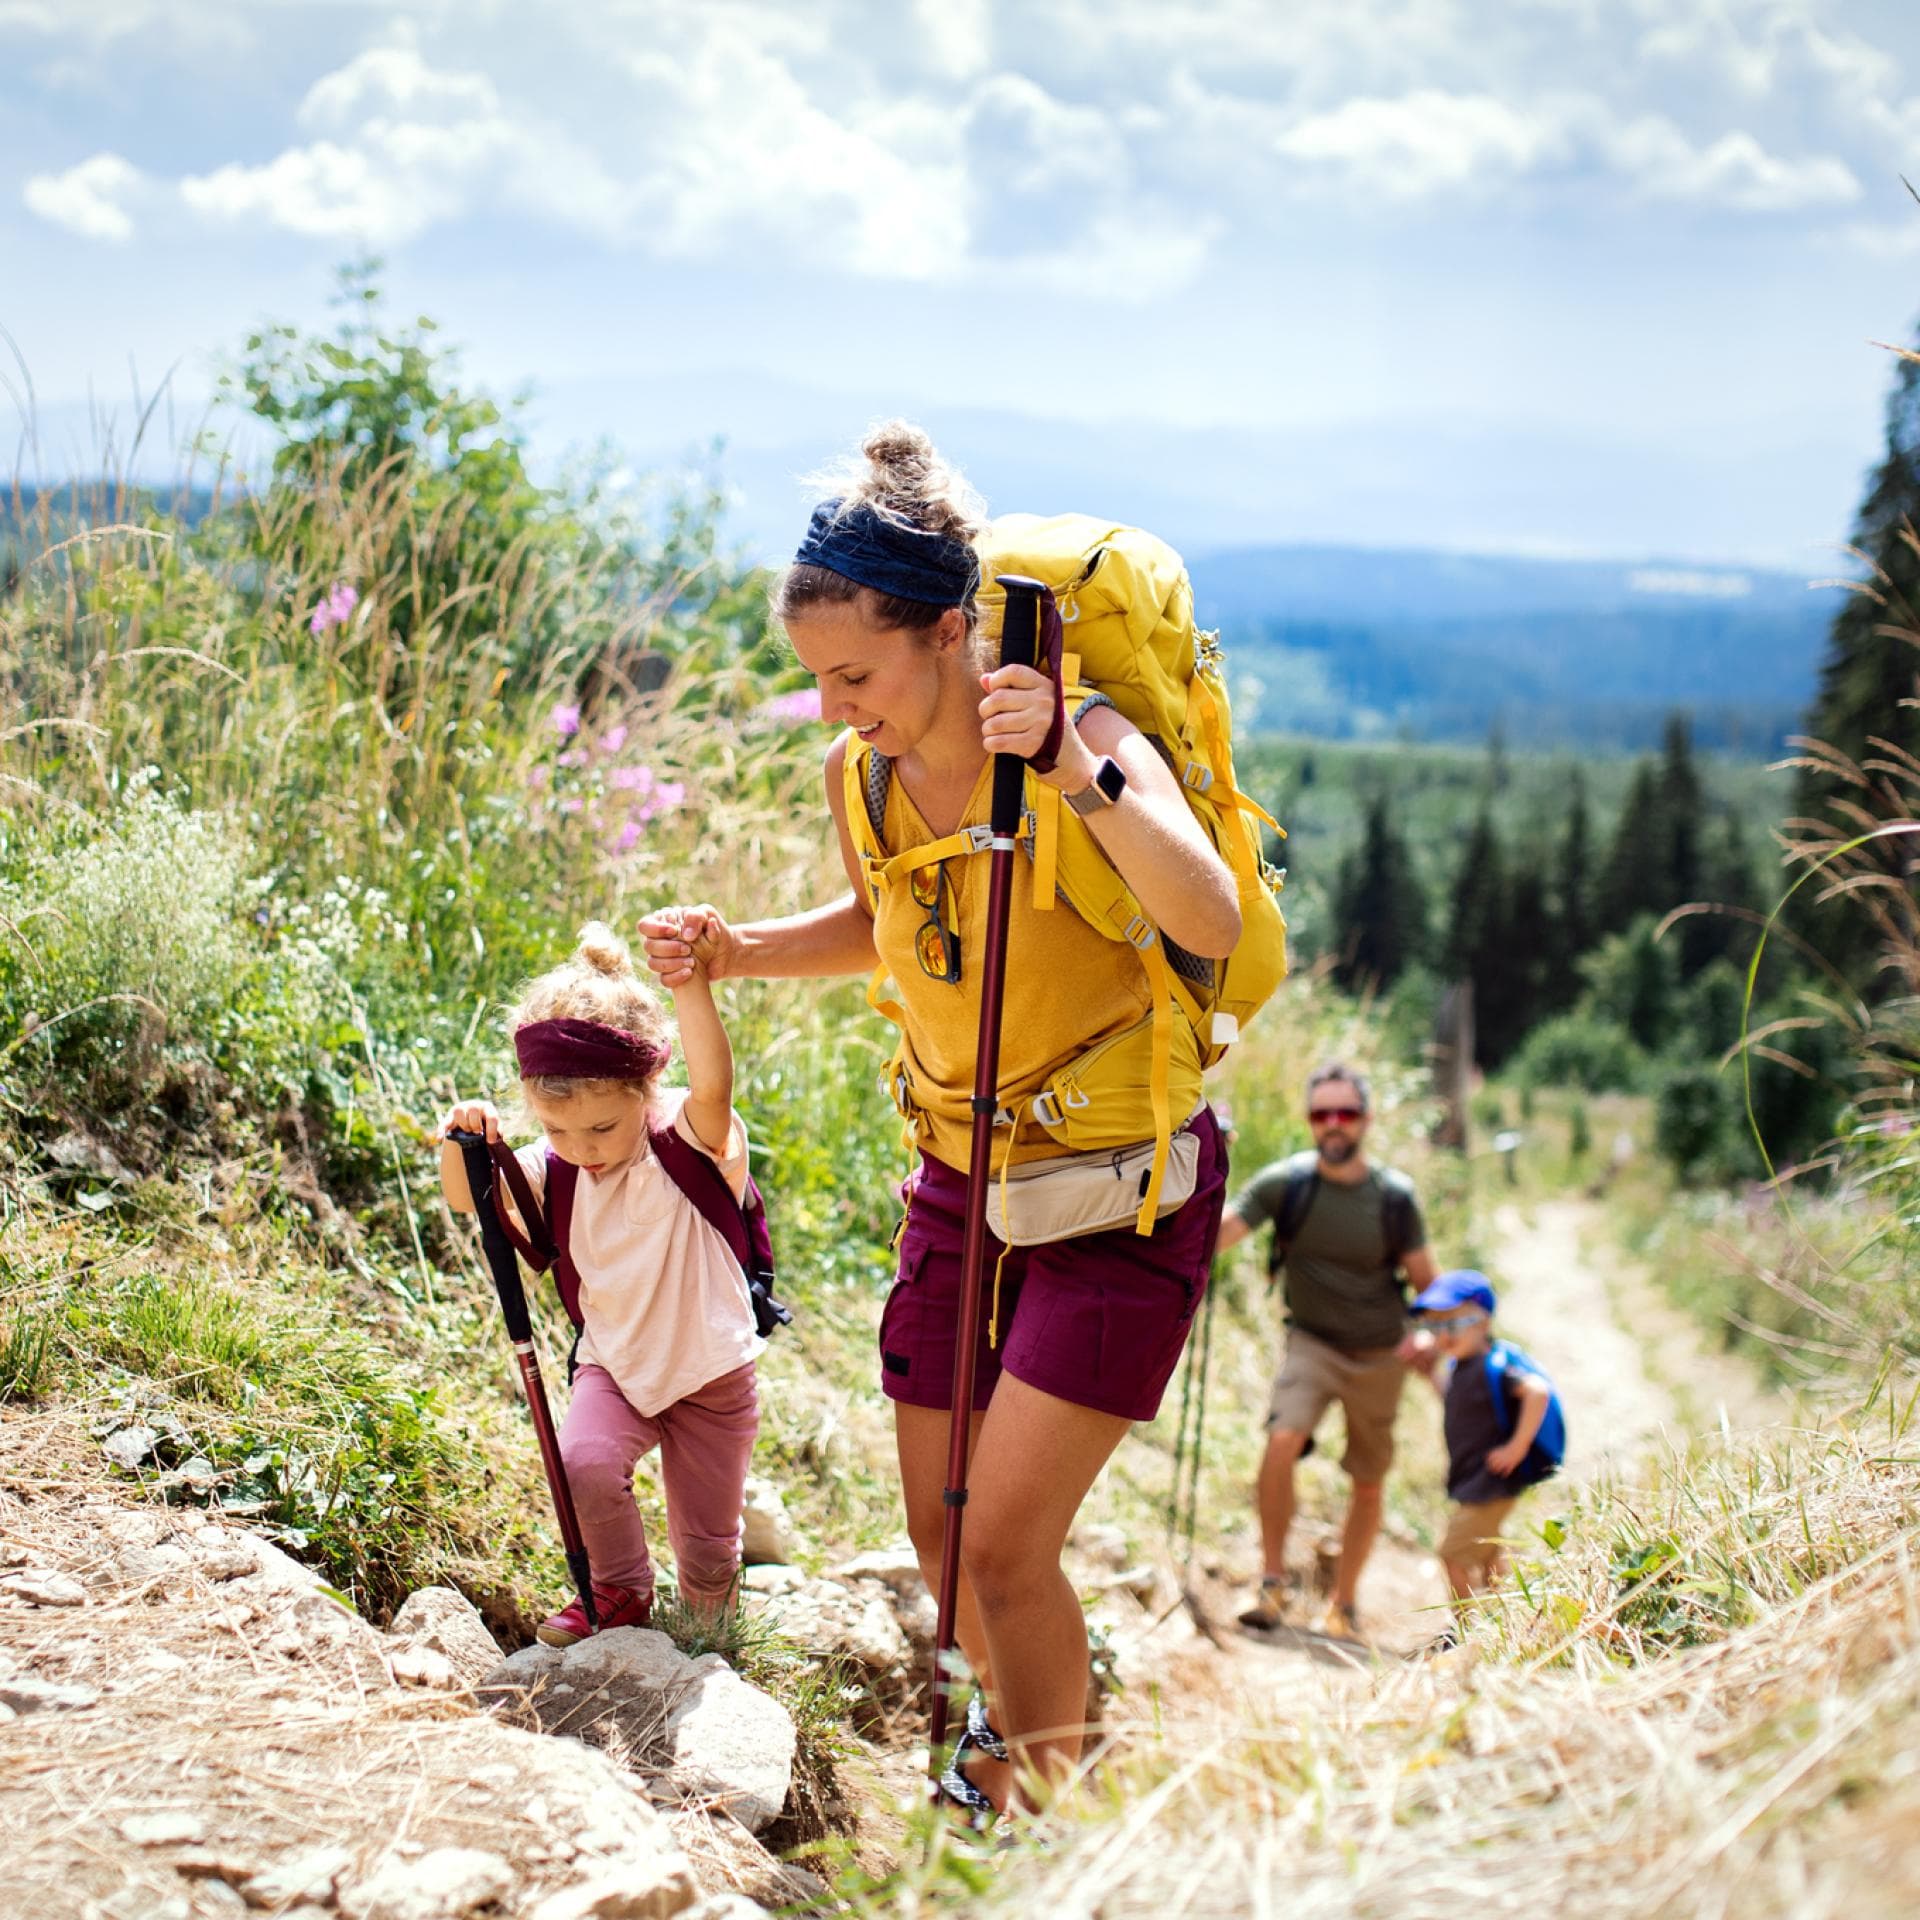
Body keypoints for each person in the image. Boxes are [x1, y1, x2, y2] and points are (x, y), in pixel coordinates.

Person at [641, 421, 1240, 1816]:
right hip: (960, 1178)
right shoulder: (862, 774)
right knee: (942, 1537)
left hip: (1118, 1189)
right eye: (816, 680)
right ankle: (1009, 1766)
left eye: (854, 675)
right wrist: (738, 950)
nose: (833, 707)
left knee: (1007, 1550)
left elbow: (1206, 914)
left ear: (951, 632)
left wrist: (1077, 773)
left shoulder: (1085, 737)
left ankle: (1048, 1823)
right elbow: (887, 919)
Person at [437, 918, 761, 1645]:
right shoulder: (556, 1167)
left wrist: (689, 985)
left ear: (648, 1089)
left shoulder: (686, 1139)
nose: (582, 1149)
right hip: (614, 1361)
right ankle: (620, 1591)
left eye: (603, 1129)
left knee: (708, 1548)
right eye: (558, 1130)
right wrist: (462, 1140)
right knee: (583, 1463)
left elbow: (714, 1083)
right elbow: (467, 1198)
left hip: (710, 1372)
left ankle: (711, 1634)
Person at [1212, 1063, 1437, 1637]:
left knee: (1368, 1479)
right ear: (1309, 1120)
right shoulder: (1285, 1184)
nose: (1334, 1124)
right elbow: (1218, 1235)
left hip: (1380, 1355)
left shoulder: (1394, 1197)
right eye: (1321, 1114)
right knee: (1281, 1439)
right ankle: (1272, 1583)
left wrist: (1428, 1335)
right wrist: (1207, 1165)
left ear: (1367, 1119)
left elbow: (1429, 1288)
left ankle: (1344, 1603)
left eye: (1346, 1113)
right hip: (1311, 1343)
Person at [1404, 1269, 1558, 1608]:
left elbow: (1537, 1392)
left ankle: (1467, 1625)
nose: (1444, 1336)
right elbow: (1456, 1404)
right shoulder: (1461, 1367)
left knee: (1452, 1555)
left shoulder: (1494, 1366)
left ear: (1483, 1323)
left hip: (1492, 1480)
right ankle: (1503, 1614)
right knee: (1488, 1551)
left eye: (1454, 1324)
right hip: (1476, 1479)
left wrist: (1516, 1447)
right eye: (1435, 1327)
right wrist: (1430, 1375)